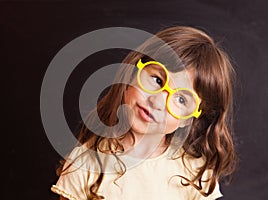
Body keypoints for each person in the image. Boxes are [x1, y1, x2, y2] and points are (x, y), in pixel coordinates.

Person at [51, 26, 238, 200]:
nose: (157, 102)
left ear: (188, 120)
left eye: (181, 100)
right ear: (133, 72)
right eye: (157, 80)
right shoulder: (85, 163)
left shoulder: (195, 173)